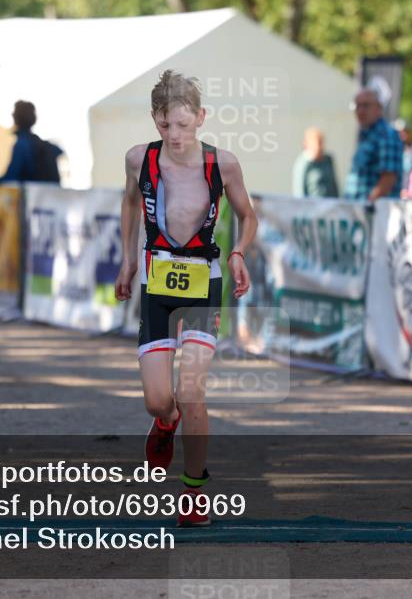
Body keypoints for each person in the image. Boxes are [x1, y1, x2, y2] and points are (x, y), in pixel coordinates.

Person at [114, 70, 257, 527]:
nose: (173, 136)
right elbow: (129, 204)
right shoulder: (139, 159)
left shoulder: (223, 164)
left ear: (200, 118)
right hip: (157, 281)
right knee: (160, 399)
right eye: (164, 125)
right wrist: (127, 259)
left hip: (204, 281)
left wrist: (237, 252)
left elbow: (247, 215)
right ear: (154, 120)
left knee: (192, 390)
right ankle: (165, 421)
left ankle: (194, 494)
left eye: (182, 125)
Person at [345, 88, 403, 201]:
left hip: (376, 214)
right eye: (357, 106)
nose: (360, 111)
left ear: (379, 108)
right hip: (357, 211)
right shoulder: (366, 134)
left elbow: (388, 179)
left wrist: (367, 206)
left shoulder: (386, 135)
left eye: (366, 106)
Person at [0, 100, 62, 184]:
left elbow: (11, 178)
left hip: (29, 195)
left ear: (15, 119)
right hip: (46, 195)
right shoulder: (44, 145)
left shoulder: (22, 145)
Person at [292, 127, 338, 198]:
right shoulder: (303, 163)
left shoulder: (328, 160)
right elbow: (299, 192)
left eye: (321, 143)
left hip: (330, 204)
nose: (320, 147)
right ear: (307, 144)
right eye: (317, 144)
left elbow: (334, 186)